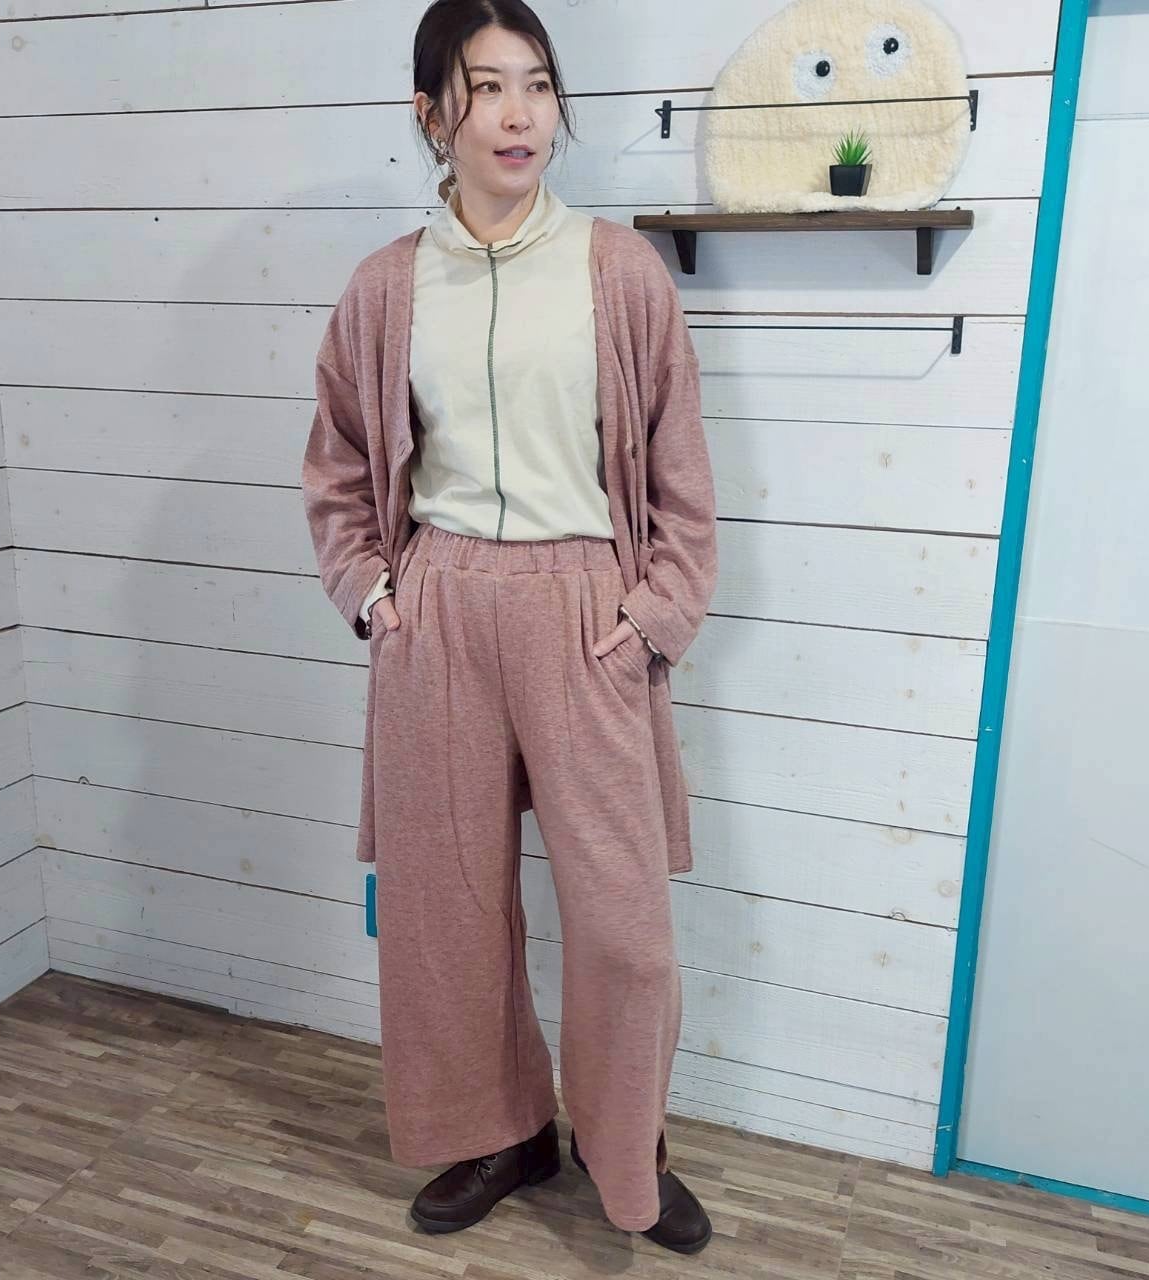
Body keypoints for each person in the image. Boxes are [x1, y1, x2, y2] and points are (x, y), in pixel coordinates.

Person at [301, 0, 718, 1256]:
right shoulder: (385, 287)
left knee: (624, 929)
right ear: (431, 112)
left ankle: (627, 1149)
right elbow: (339, 468)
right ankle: (502, 1132)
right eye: (485, 87)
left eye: (535, 83)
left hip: (585, 608)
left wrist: (650, 618)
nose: (517, 113)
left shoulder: (617, 272)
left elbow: (679, 477)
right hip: (437, 610)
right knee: (447, 912)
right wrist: (375, 594)